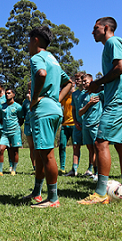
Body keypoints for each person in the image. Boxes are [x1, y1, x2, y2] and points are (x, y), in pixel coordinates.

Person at [22, 26, 72, 208]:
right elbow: (69, 82)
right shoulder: (54, 59)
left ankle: (52, 198)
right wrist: (56, 100)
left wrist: (34, 98)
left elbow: (41, 74)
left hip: (43, 111)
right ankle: (37, 193)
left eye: (29, 41)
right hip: (54, 109)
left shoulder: (37, 57)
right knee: (42, 154)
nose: (27, 45)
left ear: (35, 39)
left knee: (47, 155)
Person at [78, 17, 122, 204]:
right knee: (120, 145)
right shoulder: (108, 46)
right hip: (115, 98)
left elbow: (120, 67)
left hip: (117, 103)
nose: (92, 32)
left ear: (105, 28)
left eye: (95, 28)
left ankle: (101, 192)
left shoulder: (113, 42)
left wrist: (98, 82)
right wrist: (101, 89)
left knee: (100, 142)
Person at [78, 74, 103, 179]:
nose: (84, 83)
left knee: (98, 149)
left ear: (91, 81)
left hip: (95, 125)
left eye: (86, 81)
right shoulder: (82, 95)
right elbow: (79, 112)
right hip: (86, 125)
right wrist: (89, 104)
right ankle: (92, 171)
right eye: (83, 81)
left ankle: (99, 173)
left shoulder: (99, 93)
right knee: (90, 150)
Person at [0, 88, 23, 176]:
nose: (7, 95)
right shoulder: (2, 106)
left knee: (15, 151)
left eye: (9, 93)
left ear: (13, 95)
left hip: (15, 131)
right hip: (5, 133)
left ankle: (13, 170)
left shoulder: (18, 107)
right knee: (0, 149)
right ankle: (0, 171)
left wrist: (15, 127)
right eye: (6, 93)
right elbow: (0, 118)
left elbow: (21, 119)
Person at [66, 73, 85, 176]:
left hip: (88, 124)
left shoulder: (89, 92)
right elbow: (73, 109)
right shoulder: (74, 94)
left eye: (78, 80)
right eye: (76, 80)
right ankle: (74, 170)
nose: (77, 81)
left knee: (91, 147)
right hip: (77, 124)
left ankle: (91, 170)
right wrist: (75, 122)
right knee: (75, 146)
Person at [59, 78, 75, 175]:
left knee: (75, 147)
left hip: (74, 125)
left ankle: (74, 168)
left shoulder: (77, 95)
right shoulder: (64, 95)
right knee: (61, 145)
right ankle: (62, 167)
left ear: (72, 84)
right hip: (64, 125)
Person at [21, 82, 35, 172]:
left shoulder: (37, 99)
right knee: (31, 147)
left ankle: (41, 166)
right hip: (28, 125)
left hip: (36, 125)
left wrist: (31, 101)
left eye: (31, 88)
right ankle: (35, 167)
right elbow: (23, 114)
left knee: (38, 147)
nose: (29, 90)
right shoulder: (25, 102)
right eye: (28, 88)